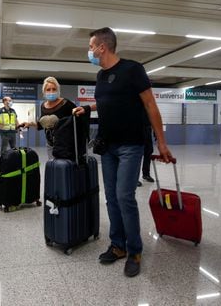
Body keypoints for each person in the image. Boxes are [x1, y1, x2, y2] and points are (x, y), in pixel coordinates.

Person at [74, 27, 173, 277]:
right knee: (111, 197)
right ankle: (117, 245)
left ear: (102, 47)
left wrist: (161, 142)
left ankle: (135, 250)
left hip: (131, 145)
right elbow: (109, 100)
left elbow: (150, 104)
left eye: (90, 47)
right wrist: (88, 108)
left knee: (124, 196)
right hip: (107, 146)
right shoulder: (100, 75)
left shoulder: (133, 69)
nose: (89, 51)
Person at [25, 76, 76, 159]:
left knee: (65, 168)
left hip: (66, 145)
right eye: (48, 89)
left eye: (54, 89)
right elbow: (42, 124)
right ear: (44, 91)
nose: (51, 92)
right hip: (50, 145)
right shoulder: (43, 106)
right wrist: (30, 124)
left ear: (58, 90)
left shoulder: (66, 103)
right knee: (53, 167)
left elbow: (78, 119)